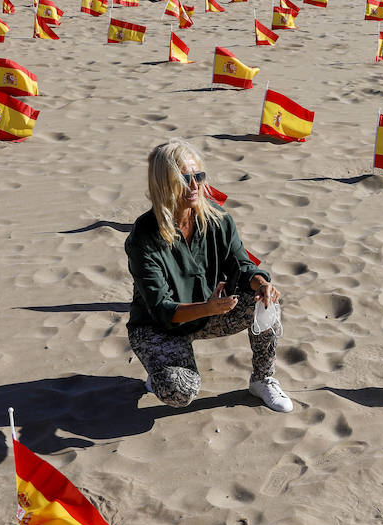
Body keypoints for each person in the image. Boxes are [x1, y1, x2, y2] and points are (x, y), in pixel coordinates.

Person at [125, 139, 292, 413]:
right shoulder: (143, 236)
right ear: (163, 183)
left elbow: (241, 265)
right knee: (180, 392)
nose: (194, 186)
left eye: (198, 176)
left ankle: (262, 380)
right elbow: (161, 309)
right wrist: (207, 307)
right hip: (159, 328)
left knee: (265, 301)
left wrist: (261, 283)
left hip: (208, 314)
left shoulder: (218, 220)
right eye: (184, 178)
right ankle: (160, 371)